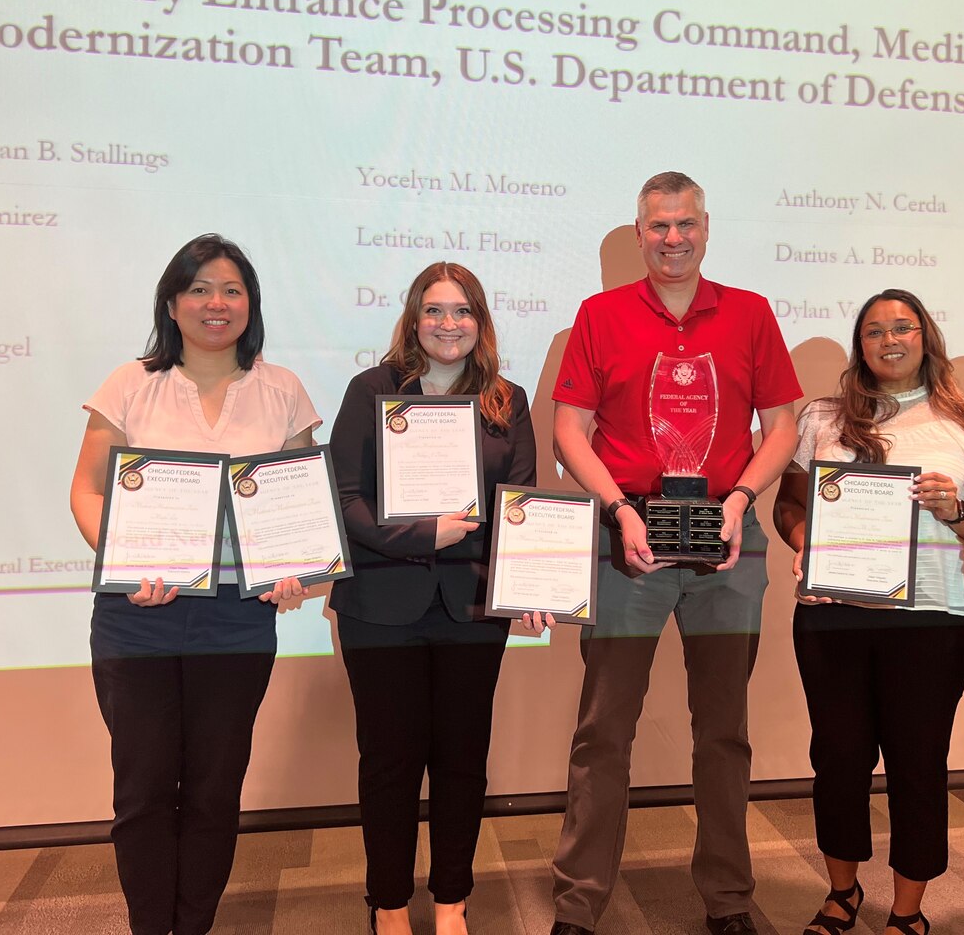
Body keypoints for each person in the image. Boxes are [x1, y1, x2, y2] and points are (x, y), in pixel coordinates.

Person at [548, 172, 802, 935]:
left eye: (685, 224)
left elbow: (782, 426)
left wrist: (739, 501)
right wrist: (620, 510)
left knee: (723, 731)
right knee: (604, 732)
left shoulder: (750, 313)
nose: (672, 239)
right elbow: (569, 428)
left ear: (706, 227)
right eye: (658, 227)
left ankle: (728, 901)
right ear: (638, 234)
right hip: (630, 540)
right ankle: (579, 906)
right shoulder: (599, 315)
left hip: (729, 542)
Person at [69, 234, 320, 935]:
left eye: (233, 290)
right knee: (144, 792)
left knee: (214, 791)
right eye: (201, 289)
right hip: (136, 619)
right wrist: (123, 560)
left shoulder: (283, 392)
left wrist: (295, 574)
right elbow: (87, 493)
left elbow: (298, 513)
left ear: (252, 304)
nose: (217, 303)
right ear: (173, 302)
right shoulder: (129, 384)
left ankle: (196, 924)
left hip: (238, 621)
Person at [773, 289, 964, 935]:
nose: (890, 340)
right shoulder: (822, 416)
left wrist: (957, 510)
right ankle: (842, 893)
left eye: (903, 327)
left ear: (926, 337)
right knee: (839, 758)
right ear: (861, 344)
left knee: (918, 760)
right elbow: (789, 507)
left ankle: (908, 911)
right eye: (875, 331)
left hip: (935, 614)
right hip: (832, 611)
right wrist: (804, 542)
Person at [328, 262, 536, 935]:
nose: (450, 324)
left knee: (461, 760)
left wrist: (533, 585)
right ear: (414, 319)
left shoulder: (508, 398)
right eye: (435, 310)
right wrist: (422, 532)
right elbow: (345, 496)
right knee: (389, 761)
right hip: (379, 604)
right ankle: (389, 906)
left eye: (463, 310)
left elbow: (521, 507)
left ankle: (451, 903)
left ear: (482, 320)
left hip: (472, 606)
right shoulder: (371, 391)